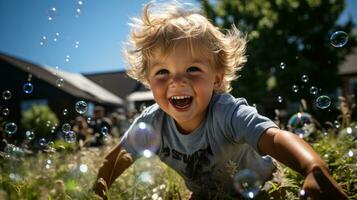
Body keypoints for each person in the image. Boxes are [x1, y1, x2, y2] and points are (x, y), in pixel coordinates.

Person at [93, 1, 348, 199]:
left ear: (216, 79)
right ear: (148, 81)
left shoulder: (227, 112)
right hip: (206, 195)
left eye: (192, 69)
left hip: (265, 189)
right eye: (162, 72)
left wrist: (313, 167)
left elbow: (275, 137)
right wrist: (97, 193)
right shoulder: (152, 123)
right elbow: (114, 161)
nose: (177, 81)